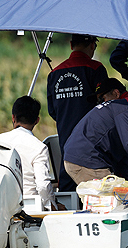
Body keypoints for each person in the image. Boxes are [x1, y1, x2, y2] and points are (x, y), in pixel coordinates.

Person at [46, 34, 108, 192]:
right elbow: (105, 104)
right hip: (92, 140)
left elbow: (53, 111)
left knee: (67, 183)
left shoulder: (54, 74)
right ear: (93, 45)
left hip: (65, 138)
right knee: (97, 187)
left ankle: (65, 211)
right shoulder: (96, 68)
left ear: (71, 45)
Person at [0, 96, 56, 210]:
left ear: (13, 117)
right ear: (36, 120)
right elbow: (43, 186)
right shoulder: (39, 148)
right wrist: (51, 205)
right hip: (30, 208)